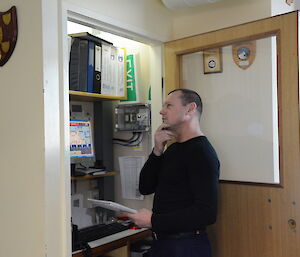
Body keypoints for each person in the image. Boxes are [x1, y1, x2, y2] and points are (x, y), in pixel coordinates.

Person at [125, 89, 220, 257]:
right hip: (163, 244)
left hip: (186, 246)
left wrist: (153, 221)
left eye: (169, 105)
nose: (162, 111)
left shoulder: (202, 152)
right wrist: (157, 150)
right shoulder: (174, 149)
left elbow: (207, 213)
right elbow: (145, 187)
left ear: (190, 109)